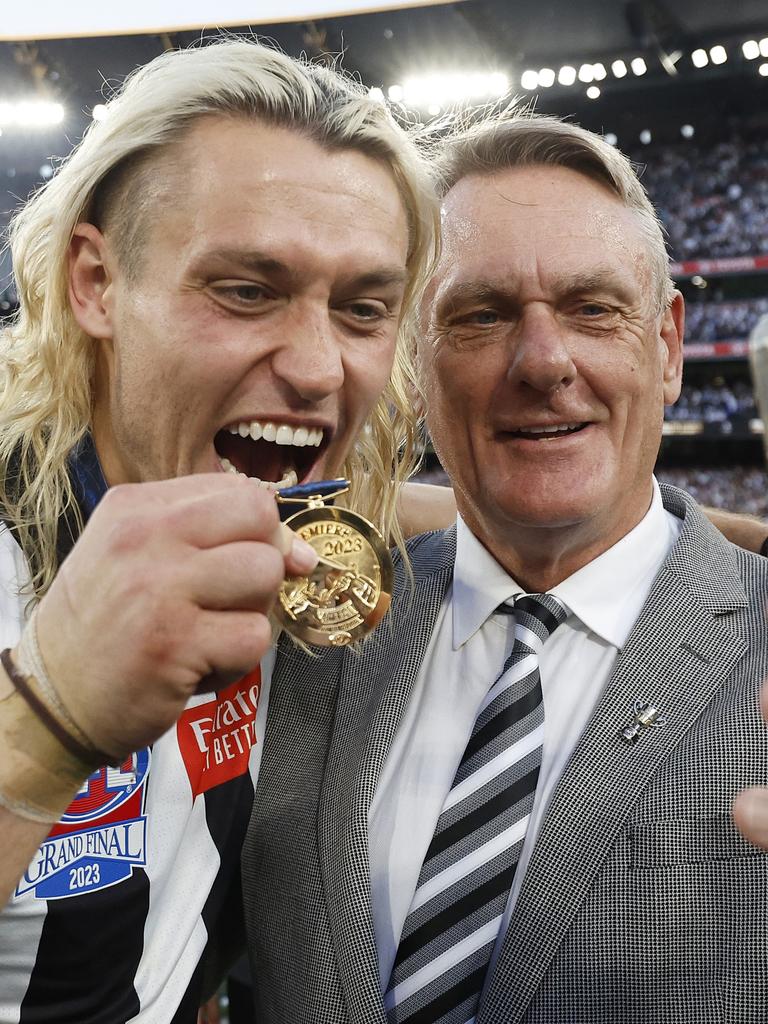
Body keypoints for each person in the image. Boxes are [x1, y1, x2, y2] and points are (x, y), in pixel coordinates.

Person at [241, 113, 768, 1023]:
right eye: (479, 316)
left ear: (670, 345)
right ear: (414, 356)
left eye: (593, 309)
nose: (543, 362)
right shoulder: (294, 637)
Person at [0, 38, 441, 1021]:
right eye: (246, 289)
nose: (321, 367)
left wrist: (693, 532)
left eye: (365, 308)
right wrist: (43, 721)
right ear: (95, 284)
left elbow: (419, 512)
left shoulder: (295, 524)